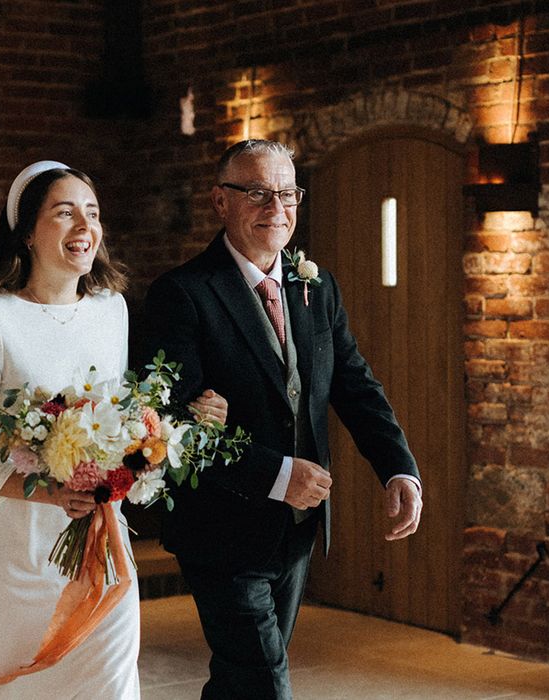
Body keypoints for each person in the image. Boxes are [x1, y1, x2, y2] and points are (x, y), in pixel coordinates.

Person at [143, 139, 423, 700]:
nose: (277, 208)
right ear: (220, 201)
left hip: (295, 531)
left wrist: (399, 468)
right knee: (267, 683)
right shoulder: (182, 294)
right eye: (257, 193)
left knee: (240, 682)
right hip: (219, 530)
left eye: (288, 193)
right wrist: (275, 475)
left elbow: (355, 384)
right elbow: (173, 424)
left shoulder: (315, 286)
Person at [0, 160, 227, 699]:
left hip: (101, 542)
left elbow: (120, 420)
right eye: (64, 213)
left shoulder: (111, 309)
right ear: (26, 231)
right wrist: (52, 493)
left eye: (92, 214)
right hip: (14, 550)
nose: (84, 228)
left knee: (110, 686)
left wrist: (174, 429)